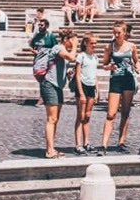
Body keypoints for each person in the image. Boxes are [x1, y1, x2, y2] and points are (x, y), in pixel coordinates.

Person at [99, 21, 140, 154]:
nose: (116, 35)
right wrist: (109, 67)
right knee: (111, 114)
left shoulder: (132, 46)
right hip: (116, 80)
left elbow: (136, 60)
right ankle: (103, 144)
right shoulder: (109, 46)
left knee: (125, 112)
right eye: (115, 32)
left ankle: (121, 142)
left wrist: (138, 67)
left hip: (128, 79)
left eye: (119, 33)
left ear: (125, 33)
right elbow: (104, 64)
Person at [40, 30, 78, 158]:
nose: (73, 43)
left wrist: (68, 73)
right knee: (51, 119)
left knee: (55, 119)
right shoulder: (58, 48)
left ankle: (52, 148)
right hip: (49, 84)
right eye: (72, 40)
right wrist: (75, 46)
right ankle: (49, 150)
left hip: (58, 86)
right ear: (66, 39)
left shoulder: (63, 51)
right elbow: (72, 57)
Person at [73, 34, 99, 155]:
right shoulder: (81, 56)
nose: (94, 45)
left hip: (91, 86)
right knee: (80, 116)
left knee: (87, 116)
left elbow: (95, 74)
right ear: (86, 44)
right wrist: (81, 93)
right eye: (92, 43)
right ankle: (77, 144)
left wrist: (97, 90)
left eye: (95, 43)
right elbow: (77, 75)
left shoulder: (95, 57)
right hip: (82, 86)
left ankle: (86, 142)